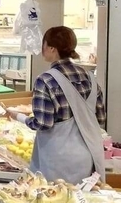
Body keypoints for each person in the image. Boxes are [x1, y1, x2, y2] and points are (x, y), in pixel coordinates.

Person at [24, 26, 107, 185]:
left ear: (52, 48)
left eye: (44, 44)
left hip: (57, 159)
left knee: (53, 201)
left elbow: (43, 123)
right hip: (87, 156)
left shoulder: (46, 80)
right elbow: (101, 118)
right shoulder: (90, 77)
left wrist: (20, 117)